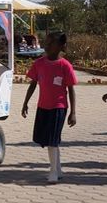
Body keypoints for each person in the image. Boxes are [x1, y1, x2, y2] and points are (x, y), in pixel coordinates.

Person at [21, 32, 77, 184]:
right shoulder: (39, 63)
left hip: (59, 107)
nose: (47, 45)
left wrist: (73, 112)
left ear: (60, 46)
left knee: (52, 140)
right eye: (46, 42)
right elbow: (33, 84)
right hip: (43, 107)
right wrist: (25, 103)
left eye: (51, 43)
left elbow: (71, 89)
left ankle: (53, 172)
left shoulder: (65, 65)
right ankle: (58, 168)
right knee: (48, 139)